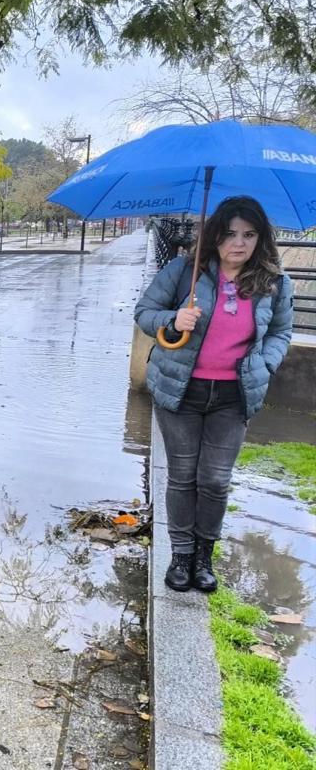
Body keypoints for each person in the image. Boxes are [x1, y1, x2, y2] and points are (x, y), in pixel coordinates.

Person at [134, 196, 293, 593]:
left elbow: (280, 333)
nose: (238, 243)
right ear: (215, 235)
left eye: (249, 234)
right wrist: (173, 319)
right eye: (229, 234)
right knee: (183, 476)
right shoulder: (185, 270)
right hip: (182, 392)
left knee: (216, 481)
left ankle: (204, 558)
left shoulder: (274, 282)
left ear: (261, 239)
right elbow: (144, 311)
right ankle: (181, 556)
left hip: (232, 396)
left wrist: (266, 365)